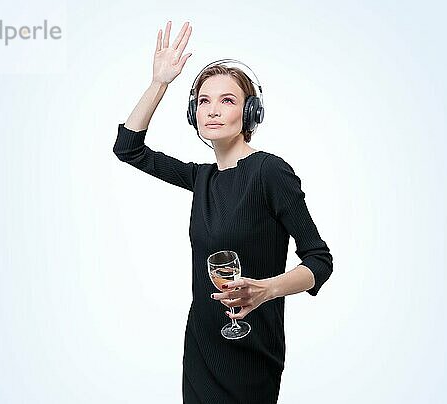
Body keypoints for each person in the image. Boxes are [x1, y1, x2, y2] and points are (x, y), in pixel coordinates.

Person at [113, 20, 333, 404]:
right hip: (202, 343)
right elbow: (128, 148)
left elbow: (320, 260)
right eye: (203, 101)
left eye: (227, 100)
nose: (212, 111)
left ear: (250, 113)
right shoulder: (201, 178)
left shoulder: (270, 171)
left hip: (251, 347)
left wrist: (266, 290)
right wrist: (160, 83)